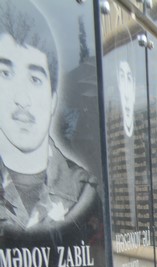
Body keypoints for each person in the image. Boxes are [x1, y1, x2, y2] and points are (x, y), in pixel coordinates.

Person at [0, 0, 97, 232]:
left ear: (53, 99)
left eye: (35, 79)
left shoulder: (84, 191)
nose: (22, 98)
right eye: (5, 74)